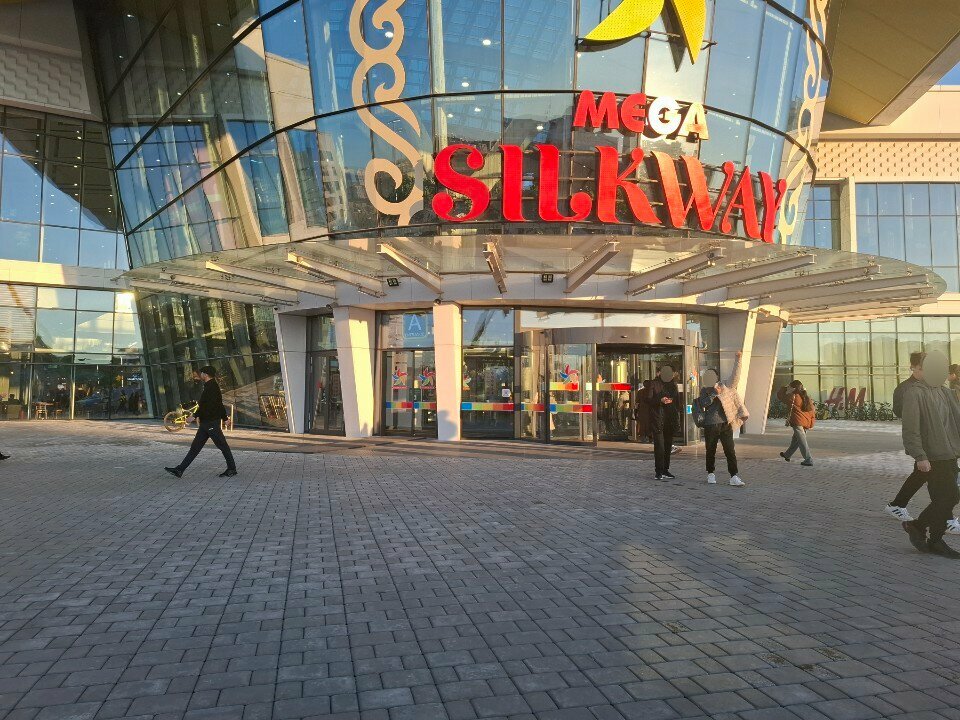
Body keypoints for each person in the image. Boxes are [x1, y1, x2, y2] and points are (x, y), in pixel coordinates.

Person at [900, 350, 960, 558]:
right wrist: (920, 456)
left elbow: (957, 421)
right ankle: (926, 532)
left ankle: (928, 533)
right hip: (933, 455)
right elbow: (910, 429)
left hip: (950, 453)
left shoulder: (945, 392)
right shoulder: (915, 393)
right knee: (950, 496)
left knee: (945, 498)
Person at [165, 366, 237, 478]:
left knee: (223, 446)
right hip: (205, 424)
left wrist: (194, 416)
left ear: (206, 374)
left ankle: (232, 469)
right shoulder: (210, 386)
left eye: (202, 373)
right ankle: (179, 470)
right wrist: (225, 419)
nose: (201, 374)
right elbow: (218, 404)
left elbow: (207, 405)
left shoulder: (212, 387)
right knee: (195, 447)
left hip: (211, 422)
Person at [696, 351, 748, 487]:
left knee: (730, 451)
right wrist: (714, 394)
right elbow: (703, 403)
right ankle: (710, 473)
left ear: (717, 377)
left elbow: (736, 375)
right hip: (711, 424)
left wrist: (738, 359)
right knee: (710, 450)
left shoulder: (725, 385)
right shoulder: (705, 390)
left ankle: (734, 476)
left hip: (726, 424)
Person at [647, 364, 680, 480]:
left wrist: (673, 403)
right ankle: (659, 471)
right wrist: (660, 400)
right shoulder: (654, 383)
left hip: (670, 419)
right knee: (659, 447)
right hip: (658, 419)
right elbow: (649, 400)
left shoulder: (673, 385)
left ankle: (665, 469)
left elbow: (677, 402)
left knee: (667, 446)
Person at [778, 380, 815, 466]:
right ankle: (787, 455)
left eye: (790, 386)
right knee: (796, 440)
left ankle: (808, 459)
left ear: (794, 388)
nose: (789, 387)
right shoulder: (806, 397)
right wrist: (811, 422)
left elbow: (780, 396)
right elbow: (812, 411)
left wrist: (784, 388)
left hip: (798, 422)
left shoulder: (793, 397)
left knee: (802, 441)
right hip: (806, 421)